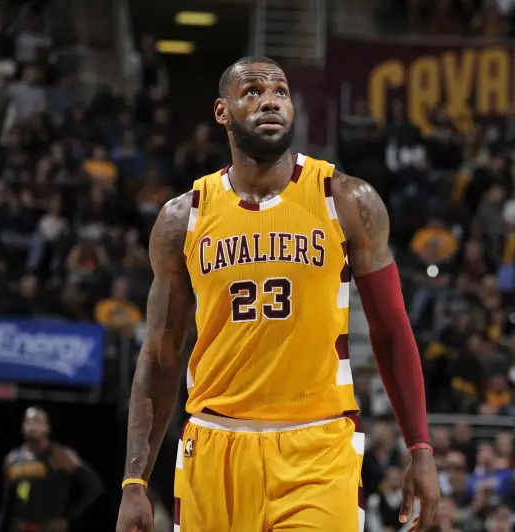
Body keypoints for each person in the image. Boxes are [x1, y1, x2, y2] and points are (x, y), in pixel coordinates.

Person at [116, 56, 439, 532]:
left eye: (281, 91)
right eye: (252, 91)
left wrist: (421, 448)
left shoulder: (347, 200)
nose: (270, 100)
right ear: (222, 112)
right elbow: (161, 357)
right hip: (214, 449)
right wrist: (134, 481)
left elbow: (392, 332)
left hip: (318, 449)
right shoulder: (183, 218)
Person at [0, 406, 103, 532]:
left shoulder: (59, 456)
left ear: (47, 427)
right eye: (28, 420)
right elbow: (7, 504)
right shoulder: (12, 459)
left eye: (37, 421)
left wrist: (67, 517)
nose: (32, 425)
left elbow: (94, 486)